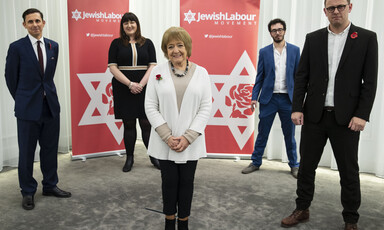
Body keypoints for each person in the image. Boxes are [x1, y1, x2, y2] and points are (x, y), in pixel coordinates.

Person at [281, 0, 378, 229]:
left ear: (350, 7)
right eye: (331, 7)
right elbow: (301, 76)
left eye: (340, 6)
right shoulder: (313, 38)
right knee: (306, 167)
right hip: (314, 115)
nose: (336, 11)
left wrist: (362, 114)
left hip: (347, 119)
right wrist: (297, 107)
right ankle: (302, 209)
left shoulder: (366, 38)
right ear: (325, 11)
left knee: (349, 172)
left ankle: (351, 219)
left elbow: (370, 82)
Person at [145, 27, 212, 230]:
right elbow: (150, 105)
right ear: (166, 50)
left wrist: (188, 137)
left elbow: (206, 106)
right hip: (165, 141)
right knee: (169, 182)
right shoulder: (157, 73)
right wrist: (167, 136)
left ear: (187, 47)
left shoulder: (201, 73)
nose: (176, 50)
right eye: (170, 46)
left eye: (180, 45)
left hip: (190, 142)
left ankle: (183, 223)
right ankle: (168, 222)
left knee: (186, 182)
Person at [5, 8, 72, 211]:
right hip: (27, 109)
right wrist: (23, 99)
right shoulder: (16, 47)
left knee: (50, 150)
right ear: (24, 25)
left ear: (44, 22)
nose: (35, 24)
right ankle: (27, 191)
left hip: (50, 106)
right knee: (26, 152)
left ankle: (50, 185)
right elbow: (10, 78)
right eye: (30, 21)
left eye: (37, 21)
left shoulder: (53, 46)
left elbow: (47, 78)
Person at [242, 18, 300, 178]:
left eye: (280, 29)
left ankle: (294, 165)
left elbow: (299, 77)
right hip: (269, 99)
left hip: (288, 100)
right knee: (262, 133)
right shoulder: (264, 52)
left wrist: (299, 101)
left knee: (290, 135)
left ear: (285, 31)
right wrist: (254, 97)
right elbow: (259, 76)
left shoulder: (295, 51)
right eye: (274, 30)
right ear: (270, 33)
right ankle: (255, 162)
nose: (277, 32)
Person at [108, 12, 160, 172]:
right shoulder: (116, 43)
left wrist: (141, 85)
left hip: (144, 87)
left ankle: (153, 156)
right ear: (122, 26)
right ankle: (129, 158)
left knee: (146, 123)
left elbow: (152, 66)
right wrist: (130, 84)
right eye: (126, 23)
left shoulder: (148, 43)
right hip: (123, 87)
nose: (129, 25)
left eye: (132, 22)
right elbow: (112, 67)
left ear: (137, 24)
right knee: (128, 123)